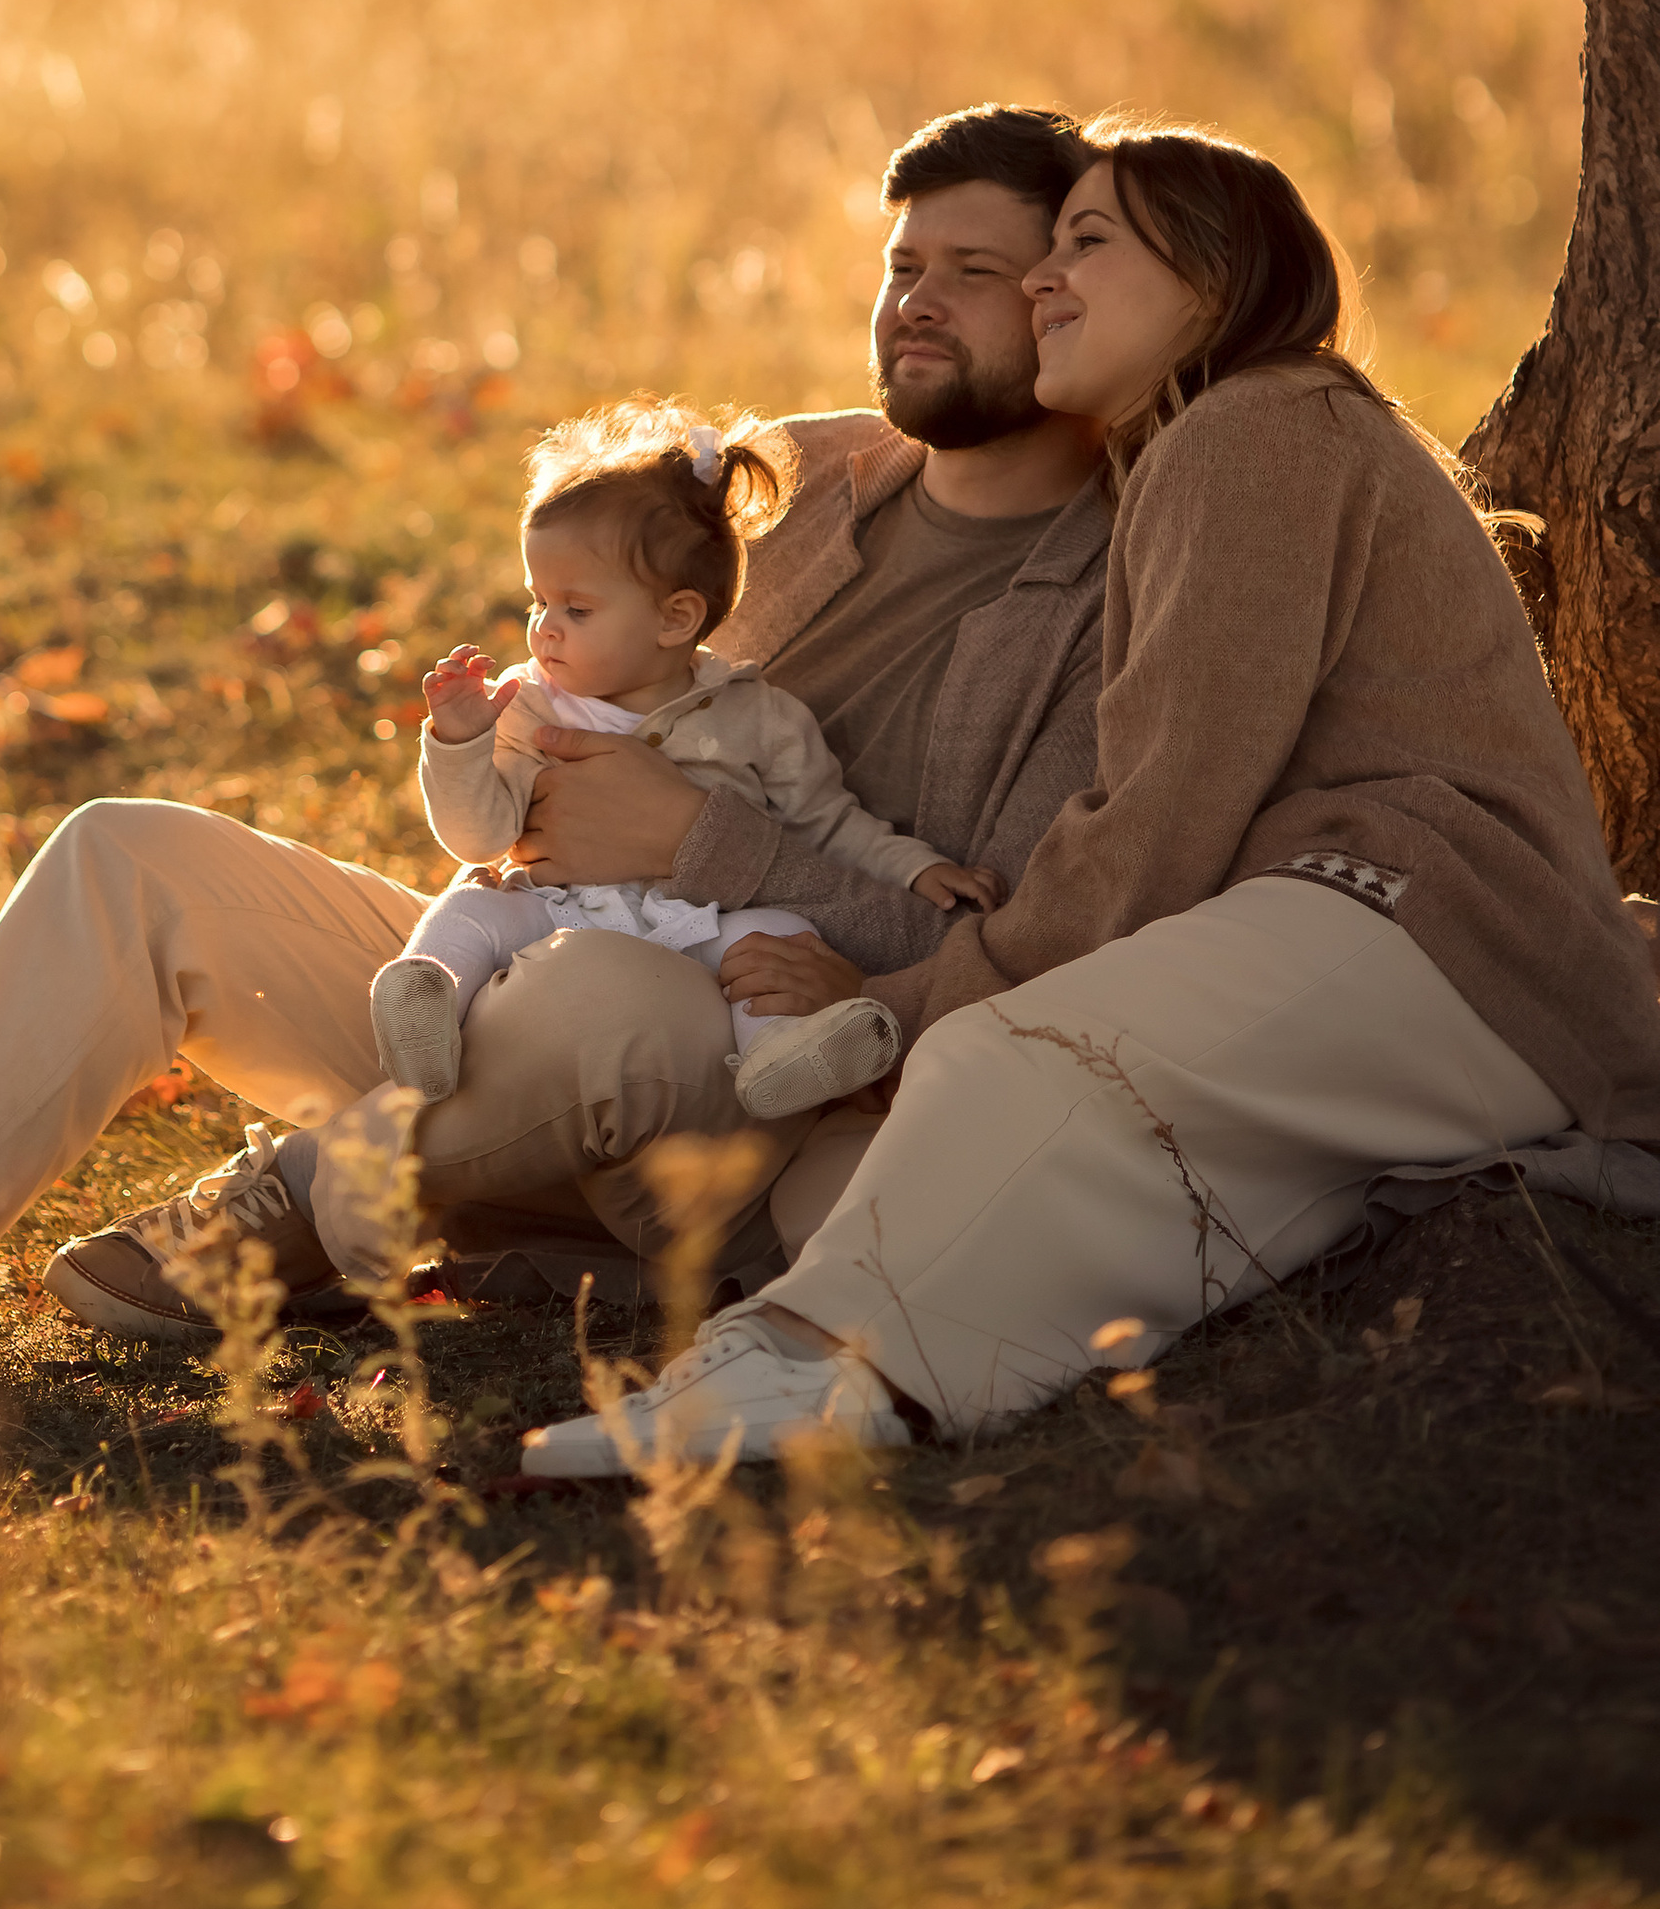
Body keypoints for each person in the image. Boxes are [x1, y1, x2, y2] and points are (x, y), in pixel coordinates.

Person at [0, 101, 1111, 1379]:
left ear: (1067, 295)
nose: (917, 299)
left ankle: (287, 1216)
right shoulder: (805, 478)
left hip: (749, 1069)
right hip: (534, 991)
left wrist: (706, 853)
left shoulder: (1111, 583)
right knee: (126, 852)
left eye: (975, 270)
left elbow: (1035, 927)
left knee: (604, 993)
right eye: (906, 262)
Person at [520, 125, 1660, 1476]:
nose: (1049, 279)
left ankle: (820, 1363)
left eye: (1090, 241)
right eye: (1049, 247)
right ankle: (838, 1354)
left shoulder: (1261, 425)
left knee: (1010, 1056)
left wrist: (906, 1002)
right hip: (1391, 945)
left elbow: (1157, 821)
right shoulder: (1208, 446)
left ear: (1212, 274)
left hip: (1427, 917)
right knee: (1117, 1129)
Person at [378, 401, 999, 1119]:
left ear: (675, 618)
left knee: (777, 942)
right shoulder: (529, 709)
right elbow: (480, 835)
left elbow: (831, 825)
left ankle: (782, 1060)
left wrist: (916, 866)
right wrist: (460, 741)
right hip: (555, 917)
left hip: (701, 927)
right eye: (537, 600)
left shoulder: (758, 716)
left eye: (576, 609)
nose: (544, 628)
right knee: (474, 909)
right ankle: (425, 1004)